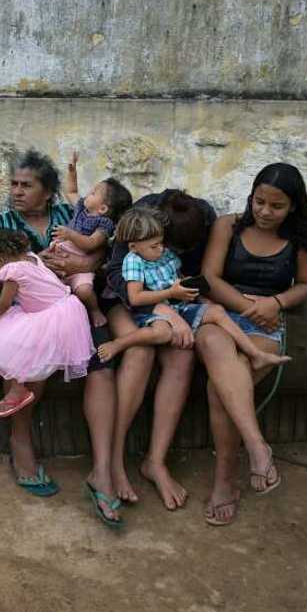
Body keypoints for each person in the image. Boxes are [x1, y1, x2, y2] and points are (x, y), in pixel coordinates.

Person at [0, 150, 123, 527]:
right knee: (32, 364)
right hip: (29, 310)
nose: (16, 191)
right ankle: (21, 442)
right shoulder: (3, 221)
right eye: (13, 184)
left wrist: (83, 265)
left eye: (26, 185)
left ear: (48, 193)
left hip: (75, 305)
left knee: (102, 370)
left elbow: (104, 252)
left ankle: (103, 470)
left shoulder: (71, 215)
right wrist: (38, 265)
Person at [197, 163, 307, 525]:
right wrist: (252, 307)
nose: (265, 212)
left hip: (266, 322)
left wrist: (277, 303)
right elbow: (209, 278)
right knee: (213, 342)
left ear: (293, 206)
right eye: (259, 201)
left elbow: (306, 285)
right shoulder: (228, 226)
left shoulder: (301, 238)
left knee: (219, 388)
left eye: (276, 206)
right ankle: (257, 447)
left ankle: (225, 480)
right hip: (221, 315)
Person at [103, 189, 216, 510]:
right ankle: (113, 460)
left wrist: (181, 304)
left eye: (180, 249)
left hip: (169, 301)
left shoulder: (204, 219)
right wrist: (166, 311)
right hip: (126, 299)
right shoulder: (138, 221)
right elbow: (116, 276)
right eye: (165, 245)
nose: (168, 252)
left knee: (183, 354)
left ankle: (155, 461)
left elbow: (191, 275)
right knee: (141, 351)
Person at [96, 207, 290, 375]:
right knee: (163, 333)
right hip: (151, 312)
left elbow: (176, 276)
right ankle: (119, 344)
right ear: (133, 247)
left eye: (162, 243)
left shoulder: (162, 254)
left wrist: (186, 285)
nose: (161, 249)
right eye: (154, 246)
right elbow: (135, 298)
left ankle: (256, 355)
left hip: (177, 305)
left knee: (217, 311)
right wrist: (170, 293)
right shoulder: (133, 261)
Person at [0, 229, 94, 417]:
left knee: (23, 342)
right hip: (64, 307)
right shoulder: (31, 257)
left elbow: (3, 304)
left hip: (50, 315)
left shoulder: (12, 270)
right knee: (7, 326)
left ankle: (19, 390)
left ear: (0, 257)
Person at [49, 152, 133, 327]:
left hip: (81, 268)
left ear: (102, 208)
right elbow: (71, 190)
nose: (88, 193)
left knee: (85, 291)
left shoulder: (104, 225)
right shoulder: (81, 209)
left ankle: (94, 311)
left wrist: (70, 234)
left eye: (93, 193)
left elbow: (91, 244)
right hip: (60, 257)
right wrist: (72, 171)